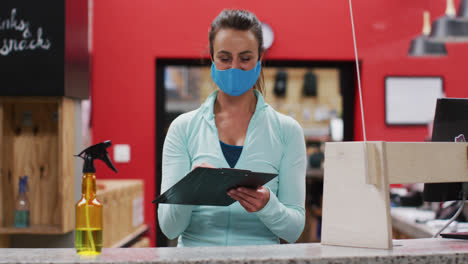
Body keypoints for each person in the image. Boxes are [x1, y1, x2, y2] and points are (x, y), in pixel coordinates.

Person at [158, 9, 306, 247]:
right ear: (212, 59)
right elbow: (169, 228)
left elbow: (294, 230)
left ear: (260, 59)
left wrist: (269, 205)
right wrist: (189, 188)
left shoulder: (287, 131)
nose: (235, 67)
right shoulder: (182, 129)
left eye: (245, 58)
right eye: (225, 58)